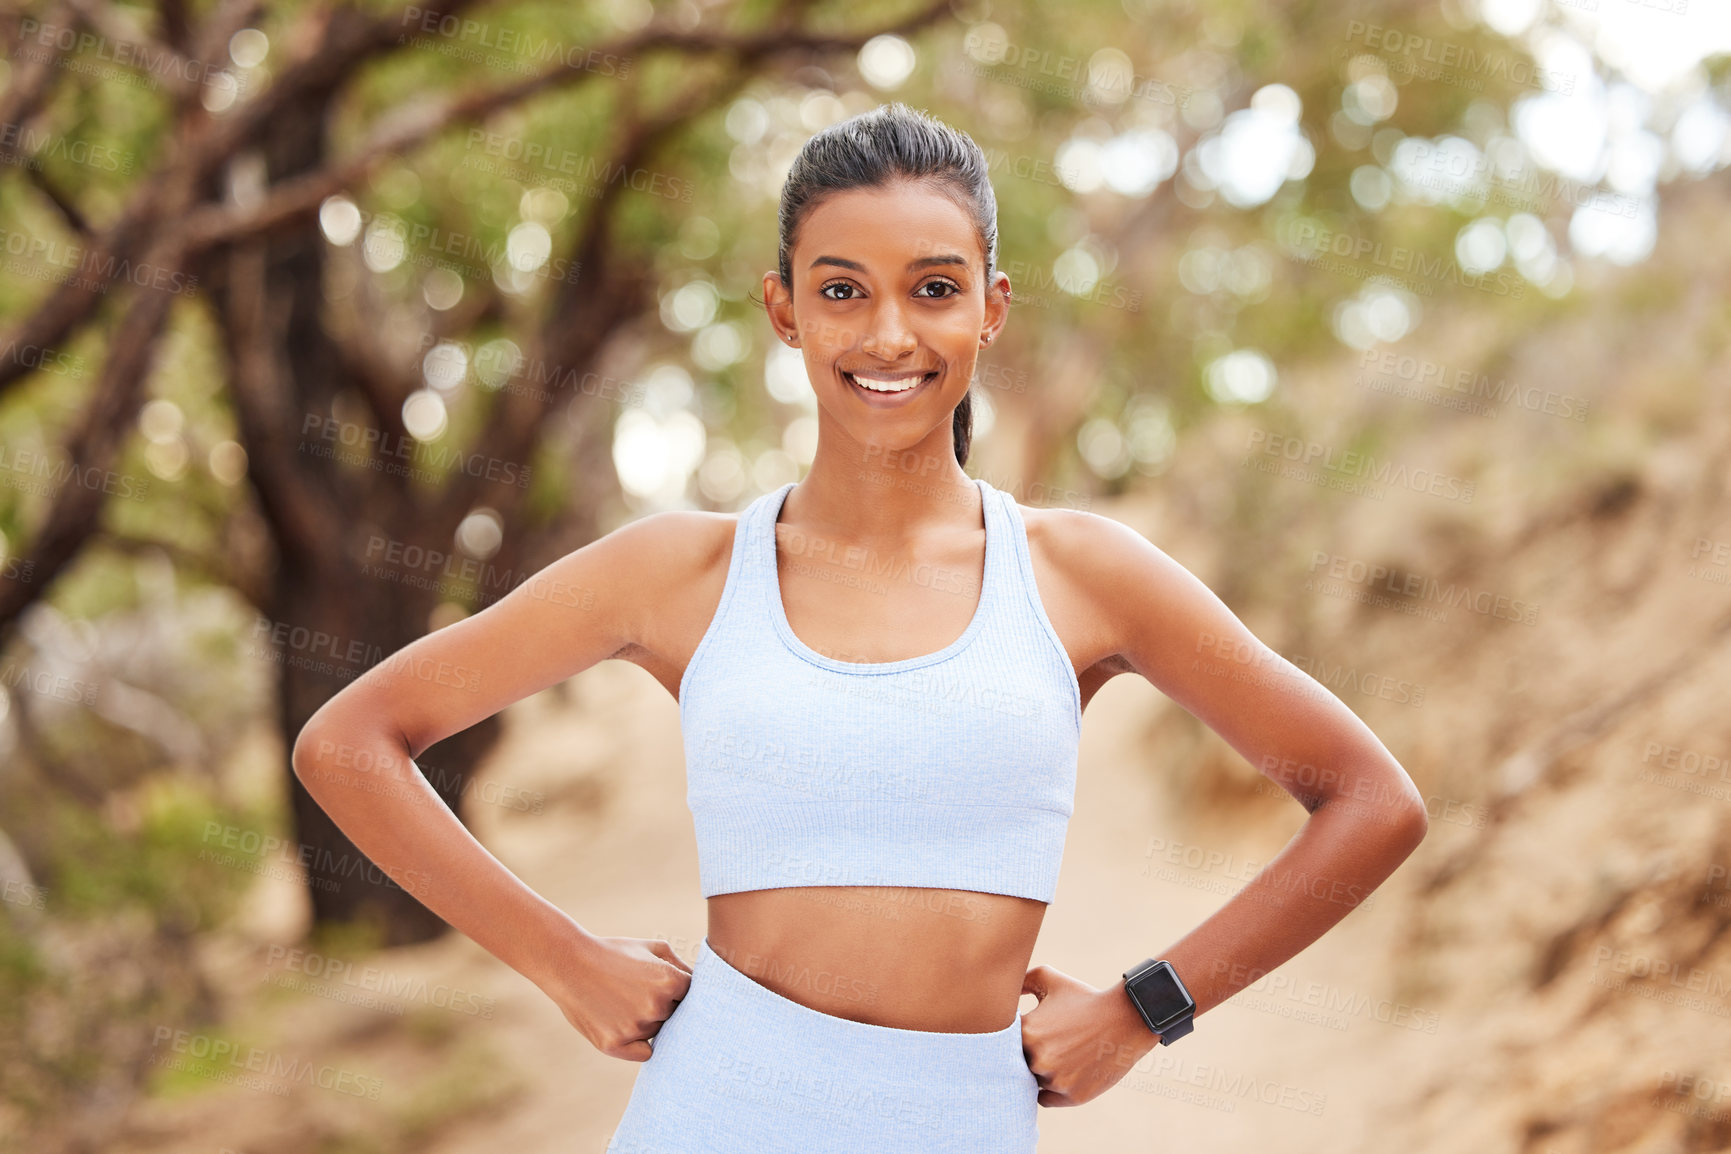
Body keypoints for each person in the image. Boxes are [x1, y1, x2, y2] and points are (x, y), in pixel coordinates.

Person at [291, 102, 1428, 1153]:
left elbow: (1371, 801)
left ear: (991, 303)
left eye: (934, 288)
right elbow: (350, 743)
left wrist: (1145, 1007)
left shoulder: (1085, 576)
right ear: (783, 307)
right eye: (842, 290)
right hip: (714, 1113)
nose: (889, 334)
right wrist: (562, 959)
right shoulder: (676, 572)